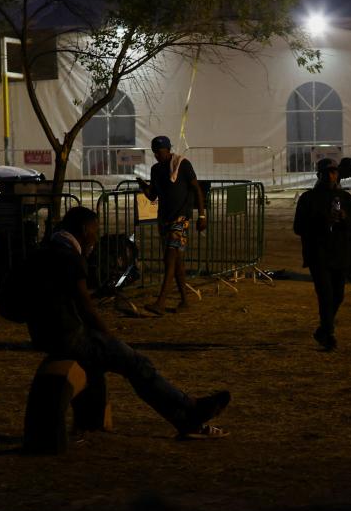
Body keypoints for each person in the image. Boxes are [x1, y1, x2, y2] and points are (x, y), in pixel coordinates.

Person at [24, 206, 230, 437]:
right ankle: (190, 406)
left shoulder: (41, 253)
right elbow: (86, 308)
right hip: (70, 336)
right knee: (137, 363)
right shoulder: (71, 258)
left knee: (101, 368)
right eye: (95, 230)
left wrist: (38, 313)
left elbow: (10, 305)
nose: (95, 237)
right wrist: (109, 337)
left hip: (44, 335)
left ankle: (185, 421)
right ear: (83, 230)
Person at [293, 157, 351, 350]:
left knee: (338, 295)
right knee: (325, 294)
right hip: (318, 253)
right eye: (327, 172)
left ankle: (323, 329)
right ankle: (329, 334)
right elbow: (298, 227)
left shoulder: (347, 199)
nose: (331, 176)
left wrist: (344, 219)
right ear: (319, 175)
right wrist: (322, 221)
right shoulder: (308, 199)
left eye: (334, 172)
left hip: (339, 253)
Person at [136, 135, 206, 315]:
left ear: (168, 150)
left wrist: (202, 215)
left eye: (159, 152)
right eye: (155, 153)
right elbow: (153, 196)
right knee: (177, 262)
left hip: (180, 219)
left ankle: (161, 302)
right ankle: (184, 301)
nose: (157, 155)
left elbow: (196, 188)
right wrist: (143, 186)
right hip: (165, 219)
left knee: (169, 259)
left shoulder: (182, 164)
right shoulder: (156, 169)